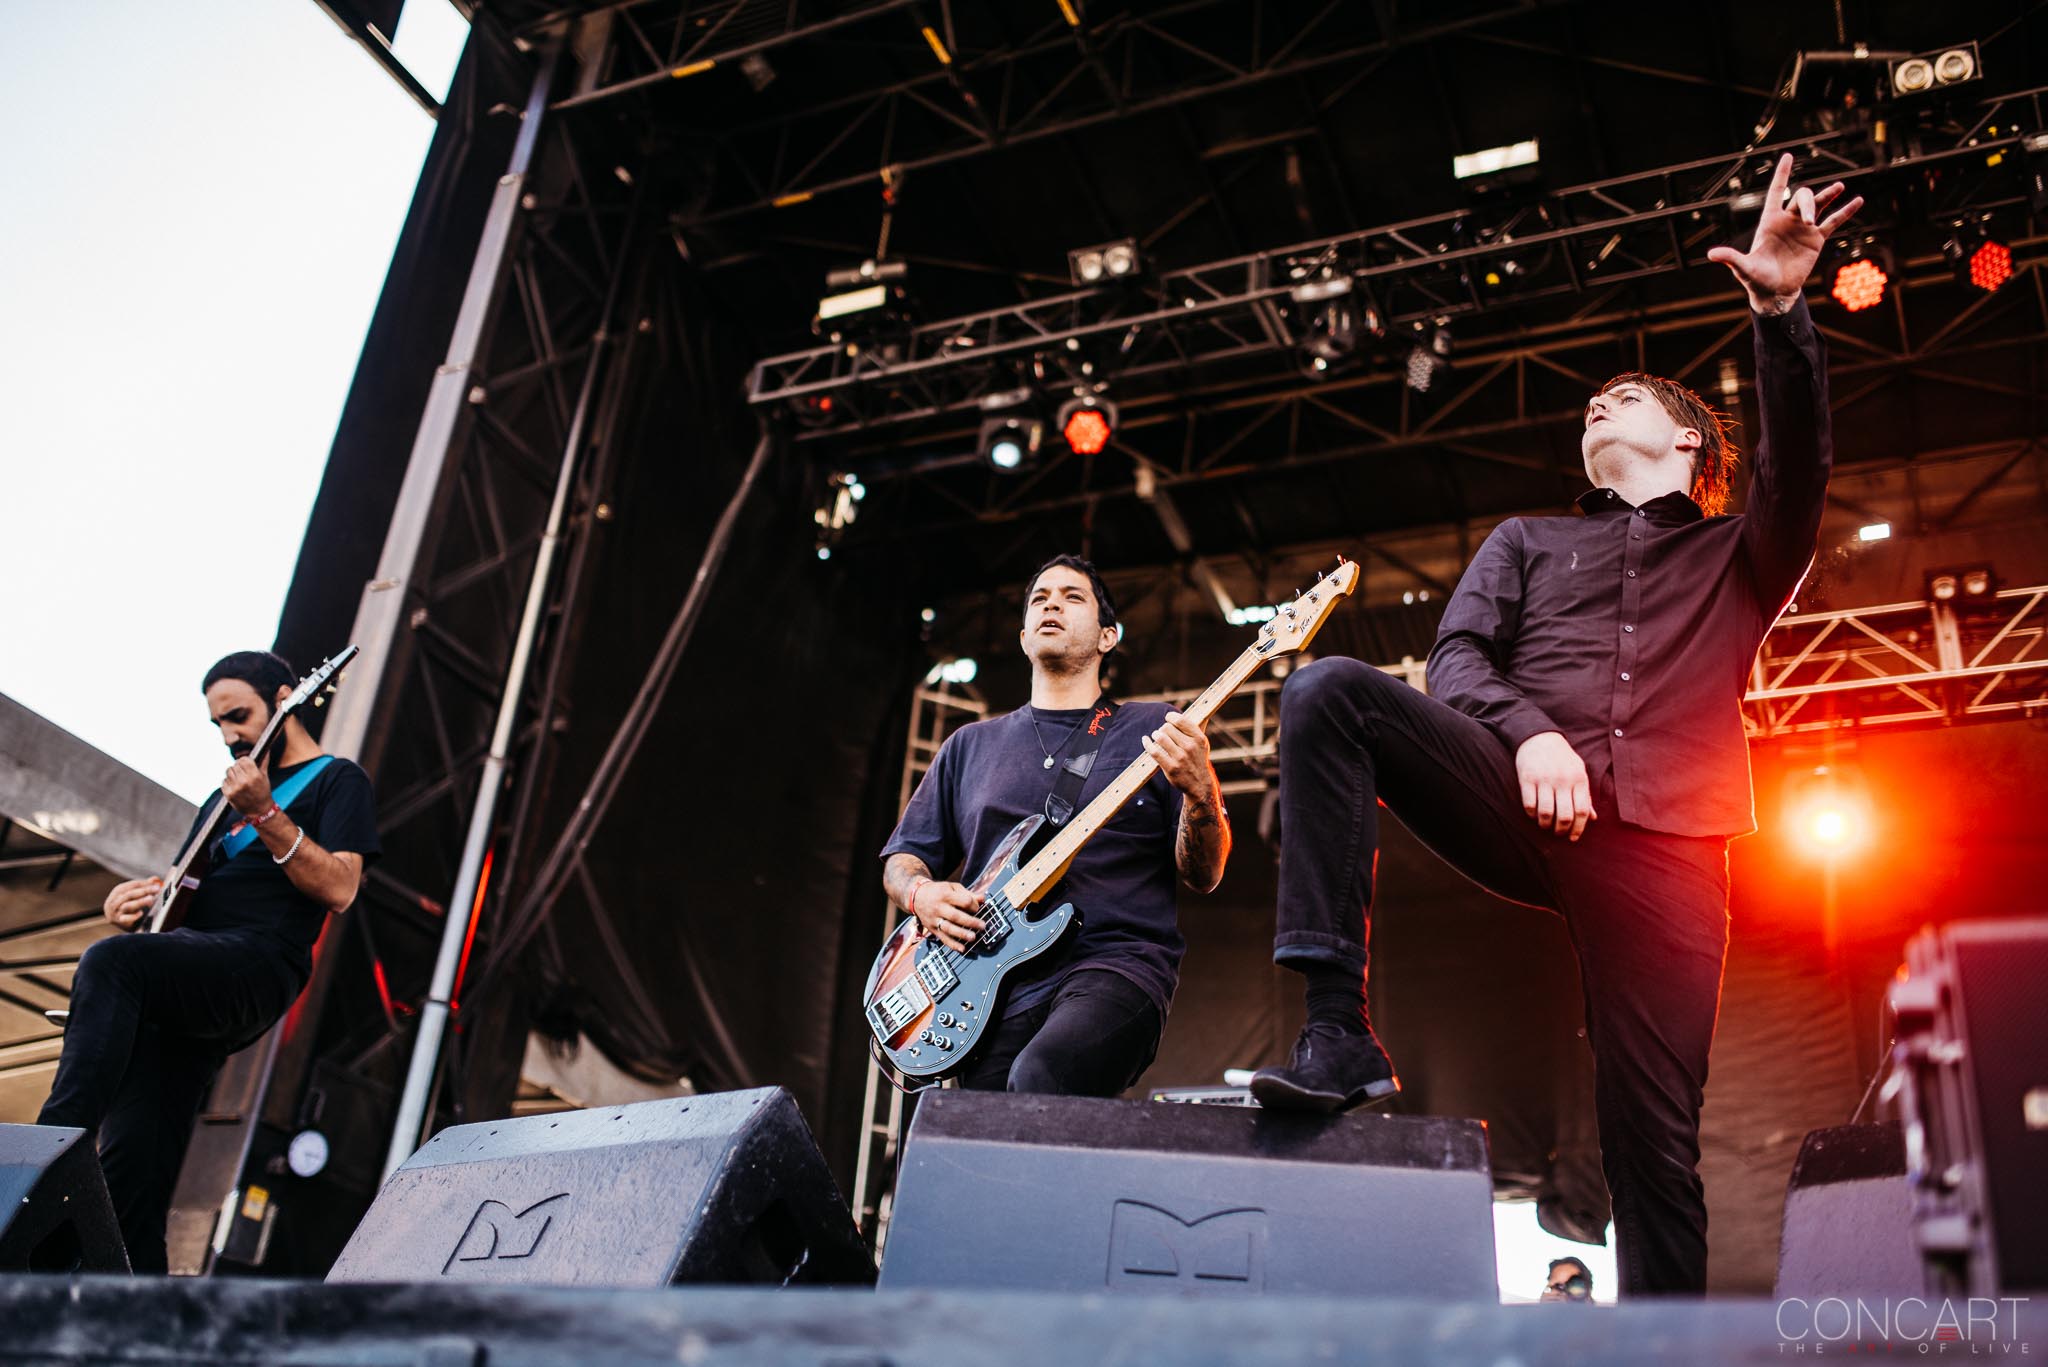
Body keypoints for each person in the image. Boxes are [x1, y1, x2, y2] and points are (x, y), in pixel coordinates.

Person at [1248, 154, 1862, 1296]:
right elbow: (1456, 660)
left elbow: (1800, 468)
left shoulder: (1740, 552)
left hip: (1670, 851)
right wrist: (1530, 734)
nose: (1596, 402)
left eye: (1626, 396)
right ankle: (1335, 1030)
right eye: (1594, 400)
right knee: (1327, 689)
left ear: (1689, 442)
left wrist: (1781, 316)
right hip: (1519, 792)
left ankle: (1667, 1345)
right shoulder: (1525, 540)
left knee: (1653, 1145)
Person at [38, 650, 379, 1272]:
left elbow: (340, 888)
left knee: (112, 963)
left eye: (238, 716)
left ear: (284, 699)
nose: (228, 736)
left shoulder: (337, 779)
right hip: (185, 982)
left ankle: (42, 1162)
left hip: (258, 962)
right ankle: (124, 1298)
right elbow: (180, 899)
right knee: (133, 1174)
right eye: (218, 724)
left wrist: (266, 813)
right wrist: (138, 906)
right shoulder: (216, 805)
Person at [880, 554, 1230, 1095]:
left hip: (1114, 963)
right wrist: (921, 895)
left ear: (1108, 636)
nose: (1052, 605)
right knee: (973, 1130)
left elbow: (1204, 874)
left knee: (1041, 1078)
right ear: (1023, 638)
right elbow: (903, 859)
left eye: (1072, 597)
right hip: (988, 982)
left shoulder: (1152, 728)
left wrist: (1201, 792)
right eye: (1040, 599)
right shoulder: (969, 745)